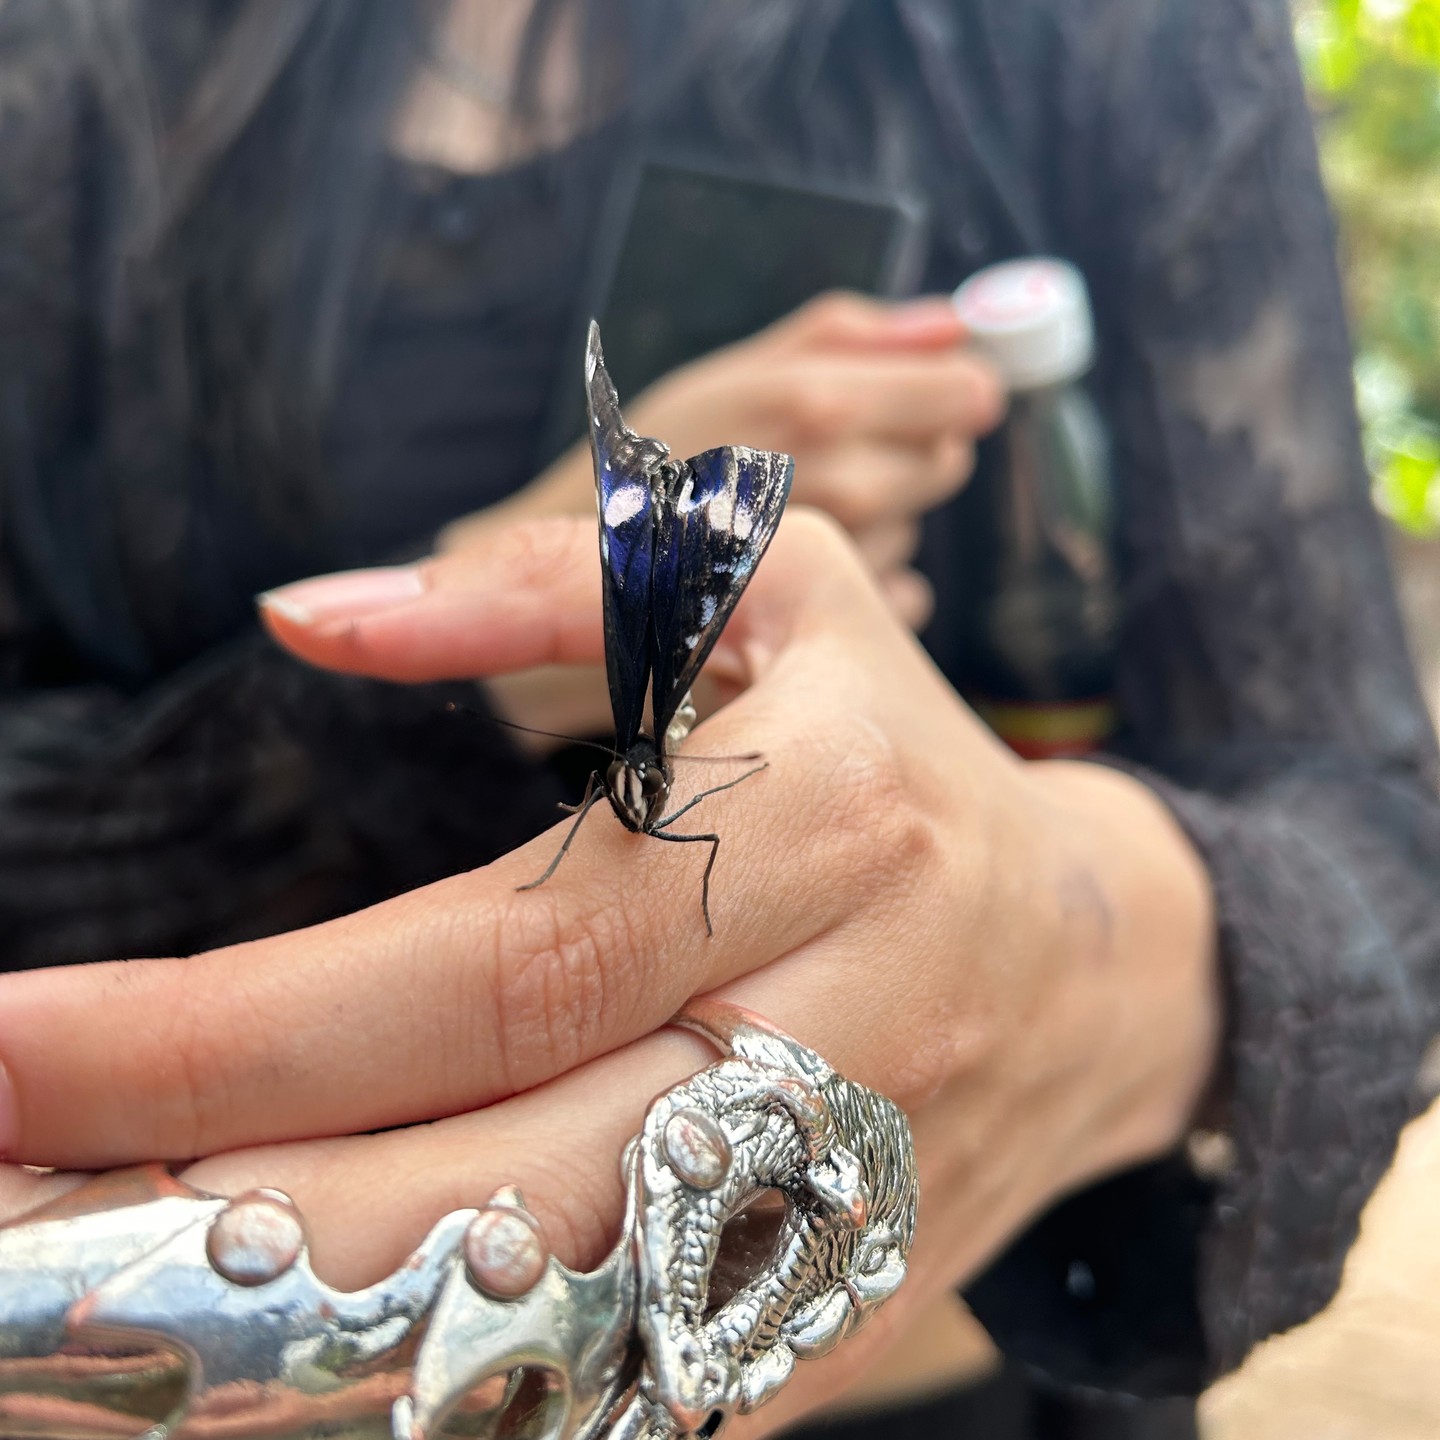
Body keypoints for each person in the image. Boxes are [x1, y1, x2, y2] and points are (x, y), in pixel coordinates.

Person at [1, 2, 1437, 1437]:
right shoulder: (71, 83)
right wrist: (460, 675)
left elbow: (1369, 830)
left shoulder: (1097, 45)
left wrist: (1080, 939)